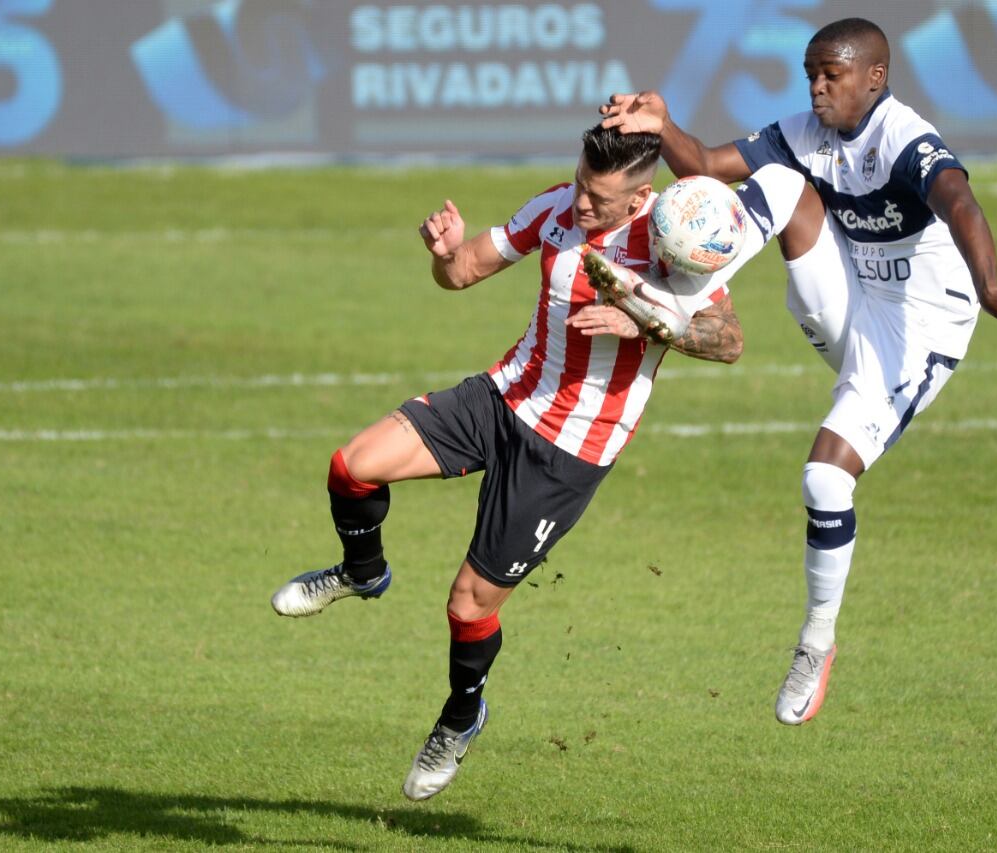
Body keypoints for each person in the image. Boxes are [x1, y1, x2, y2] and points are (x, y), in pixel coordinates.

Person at [270, 125, 752, 801]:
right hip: (501, 398)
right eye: (581, 184)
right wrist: (444, 254)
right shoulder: (556, 207)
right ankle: (362, 571)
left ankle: (461, 717)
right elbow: (462, 272)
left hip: (567, 450)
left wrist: (646, 319)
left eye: (600, 198)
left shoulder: (673, 240)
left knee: (468, 603)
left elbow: (728, 341)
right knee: (353, 465)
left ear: (640, 196)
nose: (583, 203)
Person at [599, 17, 997, 725]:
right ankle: (677, 301)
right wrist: (662, 125)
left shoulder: (904, 139)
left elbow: (960, 201)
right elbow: (706, 165)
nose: (816, 87)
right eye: (811, 73)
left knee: (824, 479)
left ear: (874, 77)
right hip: (850, 298)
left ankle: (815, 642)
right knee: (781, 182)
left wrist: (990, 286)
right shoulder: (807, 132)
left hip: (918, 327)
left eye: (830, 75)